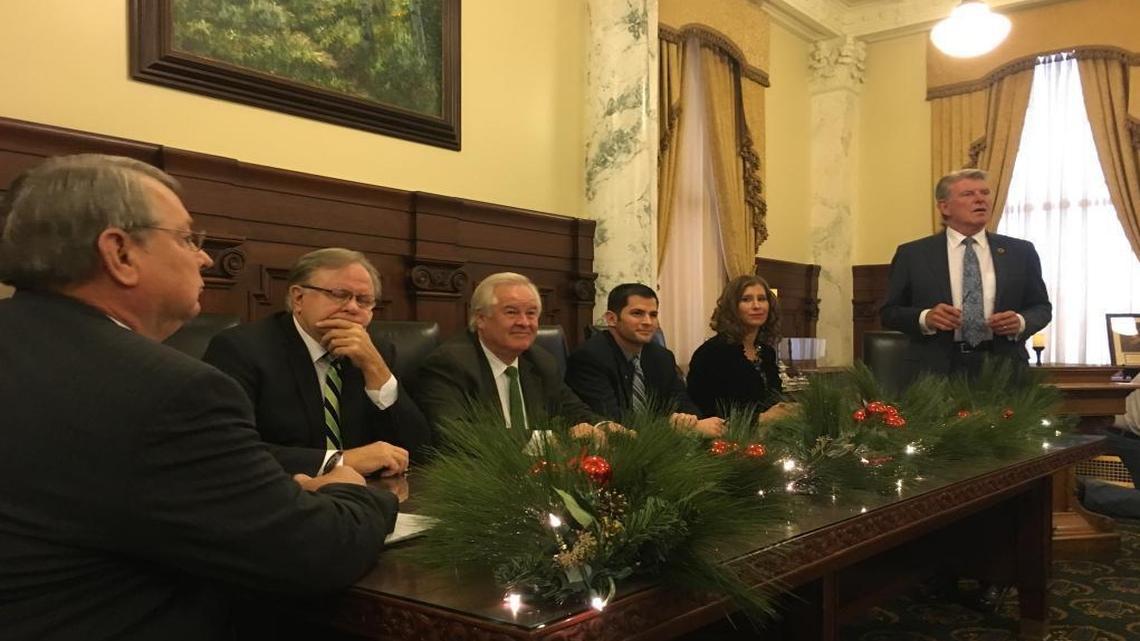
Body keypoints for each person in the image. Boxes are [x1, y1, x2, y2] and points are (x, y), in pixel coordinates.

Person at [0, 154, 397, 641]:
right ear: (120, 254)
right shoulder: (168, 391)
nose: (205, 258)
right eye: (187, 239)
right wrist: (351, 490)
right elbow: (314, 554)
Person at [203, 248, 430, 477]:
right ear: (298, 298)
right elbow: (228, 449)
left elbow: (420, 453)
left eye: (363, 301)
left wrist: (376, 369)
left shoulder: (376, 352)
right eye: (339, 294)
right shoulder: (242, 349)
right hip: (280, 492)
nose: (353, 308)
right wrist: (340, 461)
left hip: (367, 493)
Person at [880, 168, 1052, 379]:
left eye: (985, 193)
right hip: (935, 371)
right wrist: (926, 318)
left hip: (1004, 369)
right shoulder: (913, 254)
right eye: (968, 194)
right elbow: (889, 312)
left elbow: (1041, 307)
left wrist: (1020, 322)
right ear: (944, 207)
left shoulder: (1020, 252)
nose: (980, 199)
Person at [415, 272, 609, 439]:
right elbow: (455, 433)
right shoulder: (450, 363)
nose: (524, 322)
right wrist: (543, 441)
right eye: (511, 312)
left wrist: (604, 427)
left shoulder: (541, 360)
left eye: (531, 313)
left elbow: (572, 410)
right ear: (481, 318)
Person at [566, 282, 724, 436]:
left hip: (664, 444)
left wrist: (689, 420)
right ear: (611, 319)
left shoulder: (662, 357)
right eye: (637, 313)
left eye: (653, 315)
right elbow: (612, 420)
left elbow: (684, 403)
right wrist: (675, 427)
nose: (648, 322)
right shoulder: (590, 357)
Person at [687, 274, 791, 421]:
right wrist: (760, 419)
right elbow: (706, 412)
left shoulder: (767, 352)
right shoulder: (711, 353)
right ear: (732, 307)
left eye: (762, 299)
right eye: (746, 299)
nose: (756, 306)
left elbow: (773, 398)